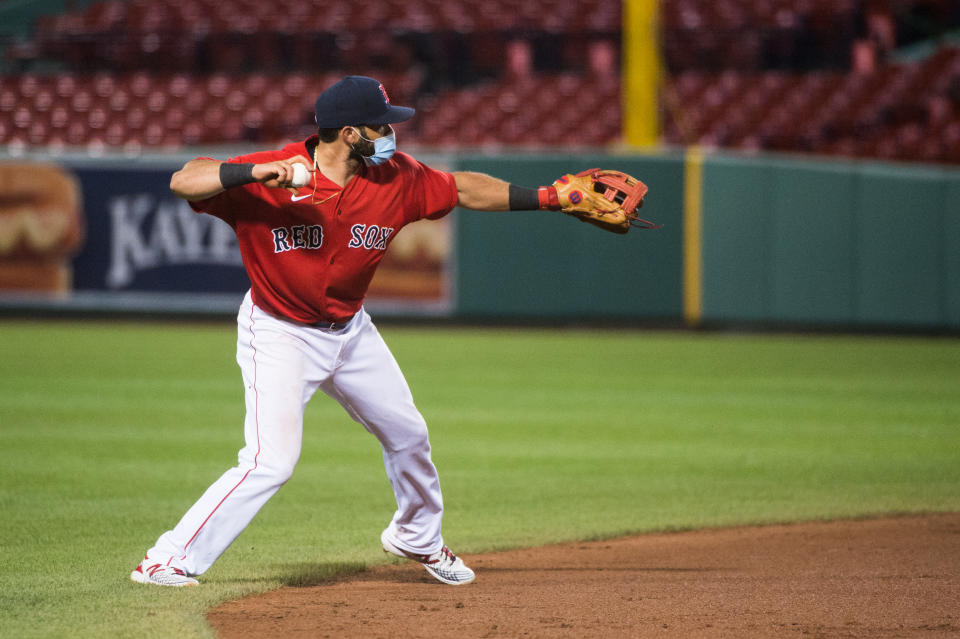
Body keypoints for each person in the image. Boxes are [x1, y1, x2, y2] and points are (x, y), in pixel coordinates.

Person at [130, 75, 562, 587]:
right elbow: (185, 179)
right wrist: (253, 173)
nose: (391, 133)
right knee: (272, 462)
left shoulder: (395, 177)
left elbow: (463, 187)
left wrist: (550, 197)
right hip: (280, 332)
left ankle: (416, 536)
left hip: (351, 330)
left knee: (408, 434)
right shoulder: (277, 172)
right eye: (381, 125)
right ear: (351, 133)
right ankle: (167, 558)